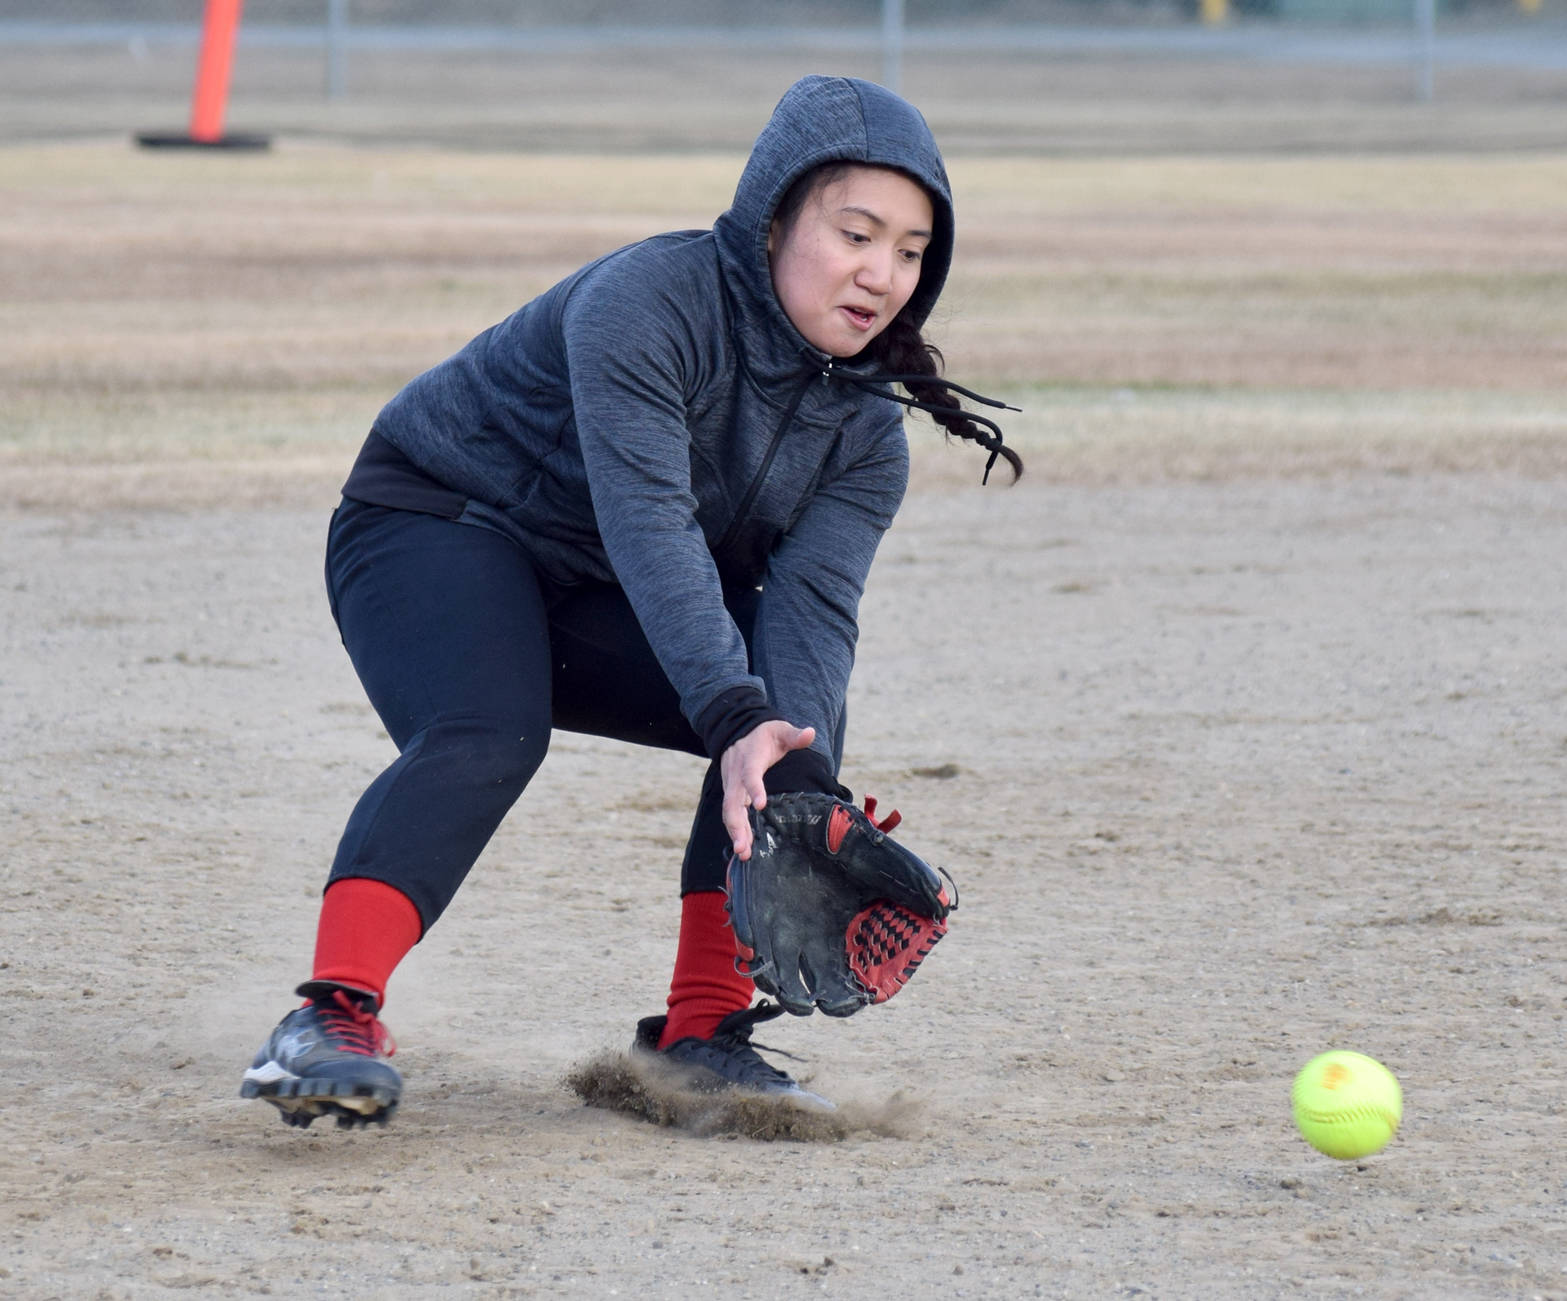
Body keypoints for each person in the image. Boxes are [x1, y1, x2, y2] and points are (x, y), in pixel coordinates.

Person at [239, 74, 1021, 1129]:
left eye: (912, 250)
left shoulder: (866, 435)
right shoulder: (649, 303)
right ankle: (326, 1019)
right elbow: (650, 523)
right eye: (855, 233)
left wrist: (804, 781)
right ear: (774, 217)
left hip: (600, 581)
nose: (881, 274)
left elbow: (811, 612)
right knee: (488, 728)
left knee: (778, 738)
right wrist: (735, 714)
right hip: (439, 523)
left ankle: (699, 1038)